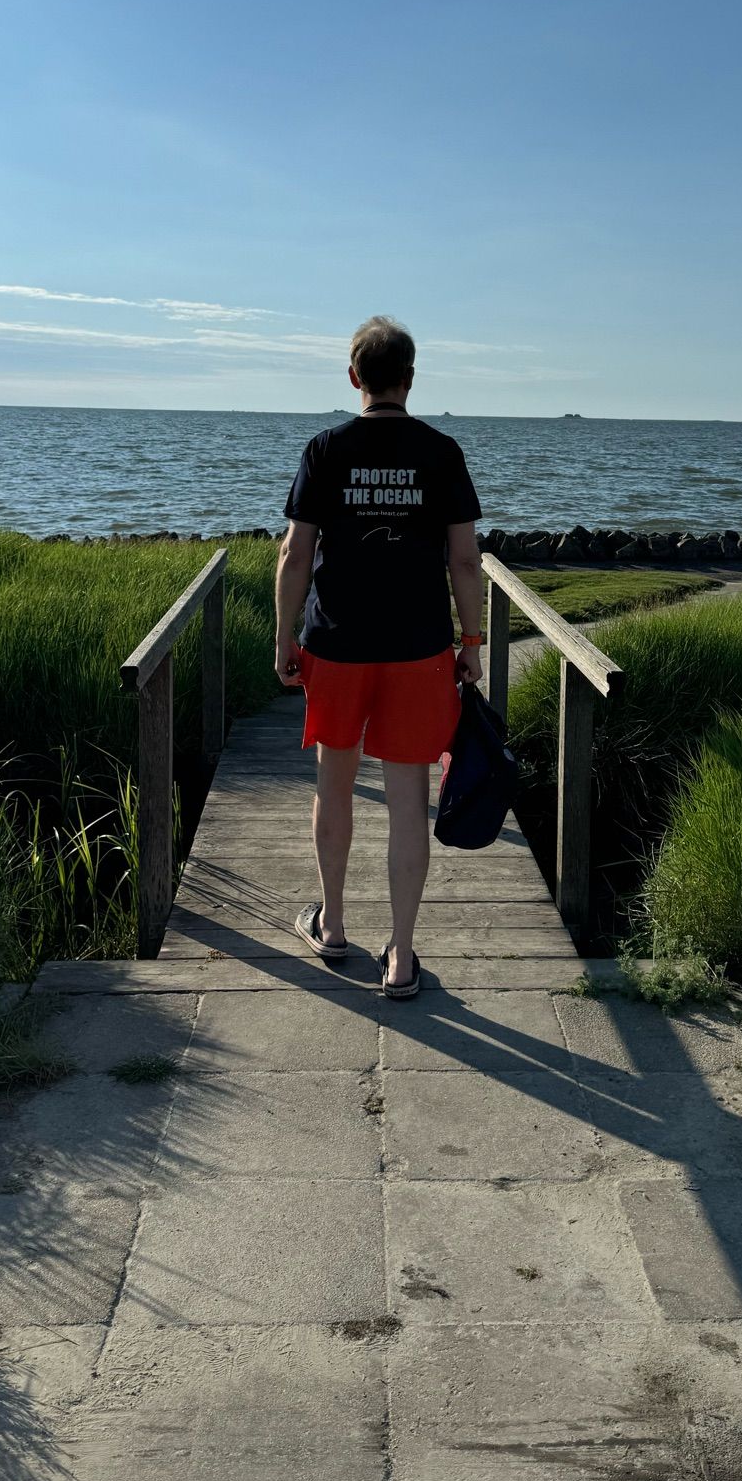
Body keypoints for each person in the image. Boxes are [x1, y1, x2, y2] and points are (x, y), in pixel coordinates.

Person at [275, 315, 484, 999]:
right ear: (411, 378)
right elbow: (463, 559)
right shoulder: (441, 451)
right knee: (406, 801)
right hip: (418, 649)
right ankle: (401, 958)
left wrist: (285, 641)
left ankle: (332, 927)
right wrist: (473, 643)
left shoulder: (325, 449)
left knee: (333, 784)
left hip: (335, 646)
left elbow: (295, 555)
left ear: (353, 377)